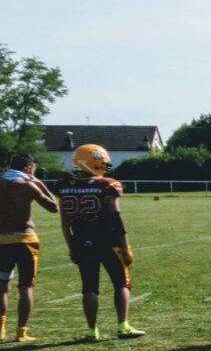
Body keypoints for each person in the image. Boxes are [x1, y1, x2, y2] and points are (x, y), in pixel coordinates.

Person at [54, 145, 145, 340]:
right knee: (121, 283)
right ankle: (123, 326)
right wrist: (126, 245)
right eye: (102, 162)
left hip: (81, 240)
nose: (105, 166)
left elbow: (64, 222)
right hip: (108, 240)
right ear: (93, 161)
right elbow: (116, 218)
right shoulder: (106, 184)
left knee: (89, 287)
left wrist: (71, 246)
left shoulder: (64, 185)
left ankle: (91, 330)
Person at [0, 154, 58, 342]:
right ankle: (21, 332)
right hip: (26, 239)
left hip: (2, 239)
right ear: (29, 168)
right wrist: (40, 182)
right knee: (26, 287)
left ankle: (0, 330)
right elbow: (54, 207)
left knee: (2, 286)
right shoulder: (28, 184)